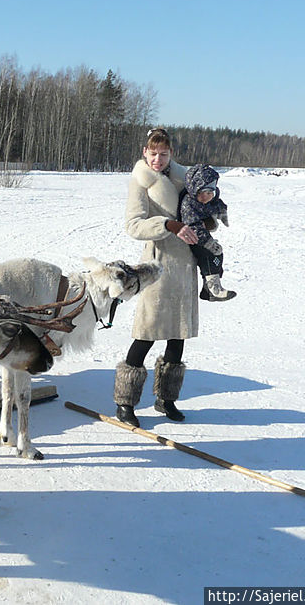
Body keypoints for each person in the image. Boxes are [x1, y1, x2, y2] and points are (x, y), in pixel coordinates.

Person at [113, 127, 198, 427]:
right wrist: (169, 225)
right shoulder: (141, 182)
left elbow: (198, 211)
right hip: (157, 266)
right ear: (144, 153)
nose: (158, 160)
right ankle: (125, 402)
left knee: (178, 334)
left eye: (163, 154)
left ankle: (167, 399)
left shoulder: (185, 179)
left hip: (185, 265)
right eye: (153, 154)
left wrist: (205, 221)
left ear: (171, 154)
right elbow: (133, 225)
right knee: (146, 333)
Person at [179, 164, 236, 301]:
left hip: (202, 236)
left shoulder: (205, 200)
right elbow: (193, 227)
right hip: (192, 238)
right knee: (209, 255)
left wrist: (222, 211)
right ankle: (213, 288)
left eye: (210, 193)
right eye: (201, 193)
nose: (206, 197)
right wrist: (208, 243)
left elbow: (216, 203)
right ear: (194, 190)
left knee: (218, 254)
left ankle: (209, 286)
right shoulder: (189, 204)